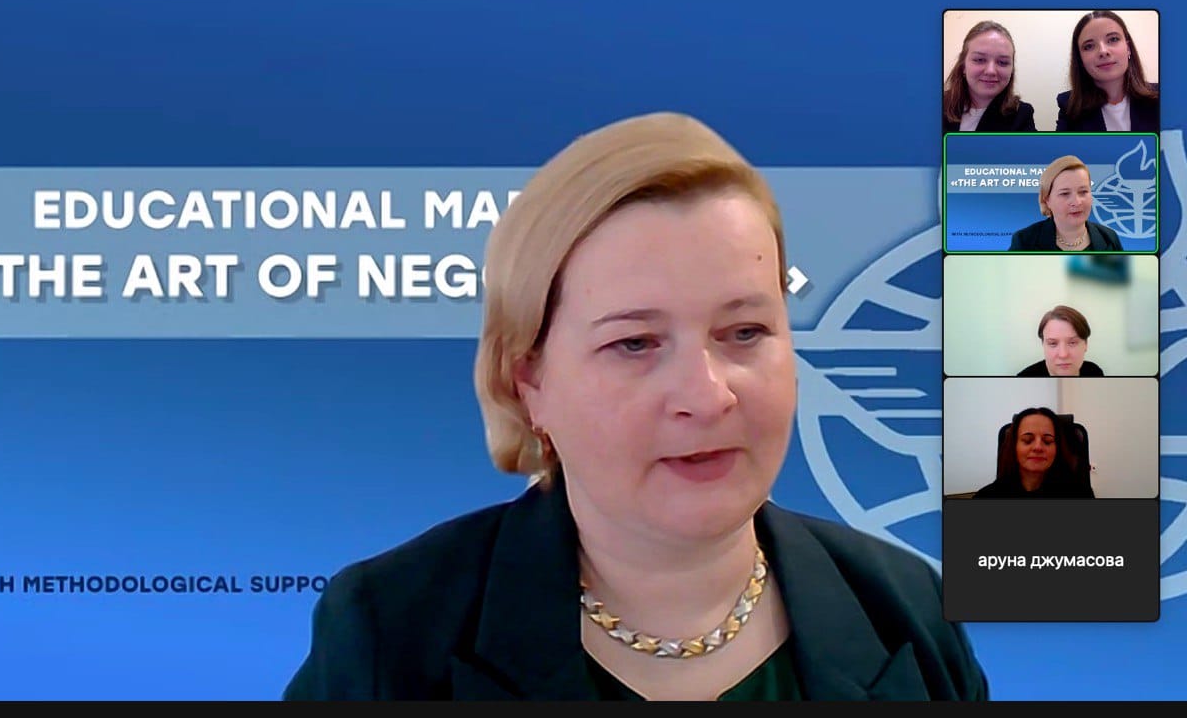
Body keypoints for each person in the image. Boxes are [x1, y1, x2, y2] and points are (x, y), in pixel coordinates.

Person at [282, 112, 989, 701]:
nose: (707, 395)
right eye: (635, 343)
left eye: (745, 332)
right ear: (529, 381)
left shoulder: (908, 610)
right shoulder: (389, 632)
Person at [1055, 10, 1159, 133]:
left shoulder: (1163, 97)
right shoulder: (1069, 106)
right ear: (1080, 59)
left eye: (1113, 39)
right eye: (1089, 46)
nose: (1103, 51)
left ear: (1128, 48)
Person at [973, 407, 1095, 499]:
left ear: (1057, 448)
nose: (1038, 447)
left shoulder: (1080, 494)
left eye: (1047, 441)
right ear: (1014, 446)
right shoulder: (986, 496)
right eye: (1027, 440)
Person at [1007, 155, 1122, 252]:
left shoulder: (1109, 238)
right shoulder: (1024, 241)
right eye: (1065, 193)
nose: (1076, 202)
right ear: (1047, 200)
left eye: (1083, 192)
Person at [942, 21, 1037, 133]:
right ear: (963, 66)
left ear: (1012, 70)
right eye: (980, 60)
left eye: (1002, 62)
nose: (991, 71)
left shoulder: (1022, 115)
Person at [1017, 305, 1104, 377]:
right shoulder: (1023, 380)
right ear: (1043, 345)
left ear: (1086, 344)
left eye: (1072, 343)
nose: (1063, 355)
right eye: (1053, 343)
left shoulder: (1094, 372)